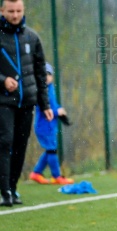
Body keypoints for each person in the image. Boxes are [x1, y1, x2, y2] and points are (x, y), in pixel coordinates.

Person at [0, 0, 52, 207]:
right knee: (5, 143)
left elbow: (40, 73)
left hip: (26, 102)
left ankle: (13, 188)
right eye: (11, 11)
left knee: (20, 145)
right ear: (2, 10)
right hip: (3, 101)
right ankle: (4, 191)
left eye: (18, 11)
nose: (15, 15)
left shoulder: (32, 37)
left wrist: (45, 105)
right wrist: (3, 80)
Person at [29, 63, 73, 185]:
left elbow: (53, 105)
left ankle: (36, 173)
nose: (46, 77)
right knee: (52, 151)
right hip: (44, 127)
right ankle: (56, 176)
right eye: (43, 74)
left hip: (50, 126)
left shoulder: (50, 88)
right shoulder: (40, 91)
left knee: (50, 150)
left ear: (52, 76)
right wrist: (56, 111)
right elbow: (43, 109)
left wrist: (60, 110)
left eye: (48, 74)